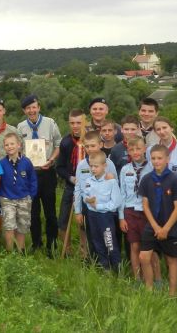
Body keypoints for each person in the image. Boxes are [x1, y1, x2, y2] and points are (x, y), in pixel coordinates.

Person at [149, 115, 177, 285]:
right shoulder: (151, 149)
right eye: (158, 129)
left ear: (171, 128)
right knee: (160, 234)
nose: (162, 131)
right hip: (158, 199)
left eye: (164, 127)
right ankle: (165, 272)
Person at [16, 95, 62, 256]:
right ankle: (36, 243)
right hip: (30, 175)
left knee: (50, 211)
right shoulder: (20, 127)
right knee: (33, 212)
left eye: (34, 107)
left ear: (39, 107)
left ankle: (52, 244)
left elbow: (58, 144)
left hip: (47, 172)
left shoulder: (50, 123)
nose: (31, 110)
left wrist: (51, 159)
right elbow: (18, 149)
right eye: (28, 108)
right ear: (24, 110)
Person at [138, 144, 177, 296]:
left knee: (172, 259)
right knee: (144, 256)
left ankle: (173, 293)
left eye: (160, 158)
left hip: (170, 226)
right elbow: (145, 205)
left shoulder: (174, 180)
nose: (156, 161)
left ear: (167, 159)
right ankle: (149, 287)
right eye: (153, 158)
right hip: (152, 224)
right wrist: (155, 227)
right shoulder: (146, 179)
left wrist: (165, 229)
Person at [71, 131, 117, 260]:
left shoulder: (109, 164)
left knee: (109, 238)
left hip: (106, 208)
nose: (90, 149)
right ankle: (97, 263)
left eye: (93, 145)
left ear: (100, 145)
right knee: (93, 237)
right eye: (87, 146)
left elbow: (115, 186)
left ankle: (114, 264)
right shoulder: (82, 165)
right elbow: (78, 189)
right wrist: (78, 211)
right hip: (89, 208)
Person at [74, 152, 122, 272]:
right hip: (92, 216)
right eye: (91, 166)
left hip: (105, 217)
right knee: (96, 241)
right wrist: (87, 199)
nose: (93, 169)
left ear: (104, 166)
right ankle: (104, 266)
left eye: (96, 166)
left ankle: (117, 268)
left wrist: (98, 206)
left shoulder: (111, 182)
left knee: (109, 242)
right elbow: (85, 195)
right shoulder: (89, 181)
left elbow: (116, 203)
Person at [118, 136, 151, 282]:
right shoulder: (125, 170)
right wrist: (121, 217)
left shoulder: (152, 167)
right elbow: (122, 194)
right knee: (134, 245)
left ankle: (152, 278)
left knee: (149, 247)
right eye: (131, 149)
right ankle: (137, 278)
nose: (135, 152)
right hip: (130, 211)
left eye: (138, 148)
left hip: (147, 212)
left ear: (144, 149)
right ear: (128, 151)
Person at [0, 133, 37, 253]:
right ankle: (10, 252)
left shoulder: (26, 162)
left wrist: (31, 195)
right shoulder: (2, 163)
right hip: (7, 199)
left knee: (22, 227)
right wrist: (0, 196)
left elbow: (33, 179)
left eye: (12, 144)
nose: (9, 147)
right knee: (9, 227)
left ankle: (21, 251)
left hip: (24, 199)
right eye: (7, 145)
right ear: (4, 147)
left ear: (19, 145)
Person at [56, 109, 86, 255]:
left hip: (88, 188)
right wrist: (71, 178)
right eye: (72, 123)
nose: (75, 126)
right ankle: (66, 250)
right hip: (71, 186)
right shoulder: (66, 142)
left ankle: (84, 252)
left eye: (79, 123)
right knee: (63, 219)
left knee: (84, 221)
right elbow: (59, 167)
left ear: (84, 122)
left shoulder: (90, 140)